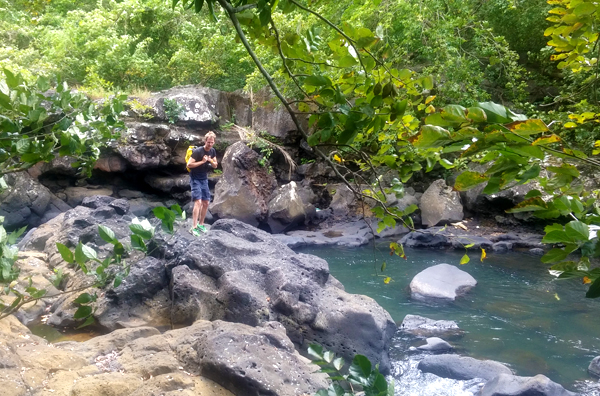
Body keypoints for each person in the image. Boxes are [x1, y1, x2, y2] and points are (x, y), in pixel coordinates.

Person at [187, 131, 218, 236]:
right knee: (198, 202)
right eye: (208, 142)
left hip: (204, 179)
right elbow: (189, 164)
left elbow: (215, 165)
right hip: (195, 179)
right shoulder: (198, 151)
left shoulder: (212, 151)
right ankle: (194, 227)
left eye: (212, 142)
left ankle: (201, 224)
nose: (210, 144)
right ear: (205, 141)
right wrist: (202, 162)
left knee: (206, 202)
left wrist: (210, 161)